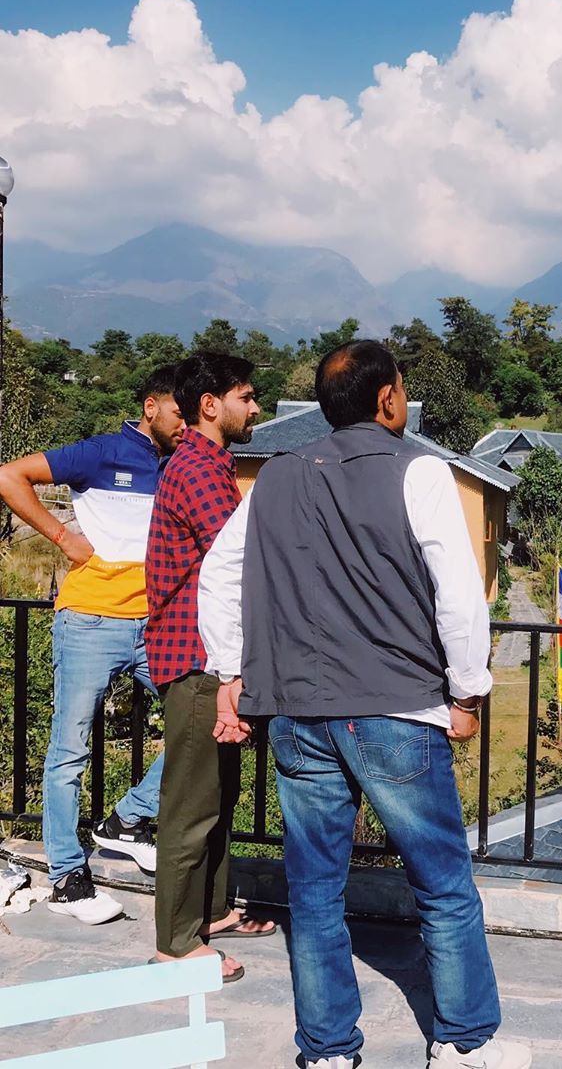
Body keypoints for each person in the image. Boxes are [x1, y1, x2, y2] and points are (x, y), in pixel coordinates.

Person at [198, 340, 531, 1069]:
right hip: (396, 706)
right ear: (387, 399)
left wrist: (231, 670)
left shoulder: (276, 478)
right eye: (403, 390)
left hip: (297, 713)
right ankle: (464, 1041)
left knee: (313, 892)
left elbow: (219, 573)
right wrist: (468, 690)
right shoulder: (420, 469)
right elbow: (459, 593)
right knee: (441, 884)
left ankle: (327, 1049)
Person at [0, 367, 183, 924]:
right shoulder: (102, 453)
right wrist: (63, 538)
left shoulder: (180, 464)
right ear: (150, 406)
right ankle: (65, 877)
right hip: (88, 623)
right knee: (69, 752)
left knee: (198, 725)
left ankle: (128, 820)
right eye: (178, 412)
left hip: (157, 625)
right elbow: (9, 475)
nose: (185, 423)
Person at [145, 352, 274, 983]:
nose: (255, 409)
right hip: (197, 661)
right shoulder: (198, 470)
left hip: (207, 659)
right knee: (191, 804)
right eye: (247, 397)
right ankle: (175, 942)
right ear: (210, 405)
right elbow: (242, 559)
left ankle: (213, 912)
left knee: (219, 797)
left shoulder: (207, 466)